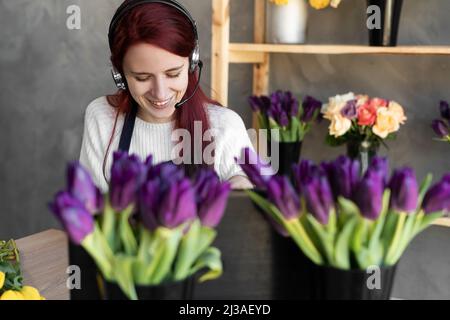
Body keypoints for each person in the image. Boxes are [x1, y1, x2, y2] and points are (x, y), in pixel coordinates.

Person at [79, 0, 254, 192]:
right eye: (142, 77)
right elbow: (87, 209)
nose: (160, 92)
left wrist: (242, 182)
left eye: (173, 74)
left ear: (192, 63)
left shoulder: (225, 125)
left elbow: (247, 188)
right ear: (119, 75)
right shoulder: (101, 117)